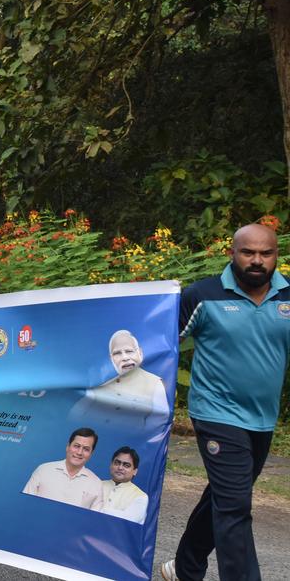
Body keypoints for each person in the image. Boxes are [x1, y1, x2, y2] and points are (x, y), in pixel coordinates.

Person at [160, 223, 290, 581]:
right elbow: (160, 344)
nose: (257, 261)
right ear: (232, 253)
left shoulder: (288, 296)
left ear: (276, 255)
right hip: (216, 413)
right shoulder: (203, 294)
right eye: (248, 252)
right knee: (235, 506)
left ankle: (185, 569)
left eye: (266, 253)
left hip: (263, 418)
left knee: (224, 495)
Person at [73, 329, 169, 425]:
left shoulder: (154, 383)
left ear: (140, 352)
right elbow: (75, 415)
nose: (125, 357)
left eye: (129, 351)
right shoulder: (101, 381)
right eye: (117, 353)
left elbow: (158, 422)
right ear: (111, 359)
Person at [21, 427, 103, 510]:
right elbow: (25, 503)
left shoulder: (96, 483)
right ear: (68, 446)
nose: (79, 452)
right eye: (76, 446)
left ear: (91, 453)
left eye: (86, 449)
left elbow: (94, 519)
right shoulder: (44, 470)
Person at [99, 447, 148, 524]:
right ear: (111, 465)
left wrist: (97, 509)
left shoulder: (141, 497)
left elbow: (128, 520)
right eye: (117, 463)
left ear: (135, 471)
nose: (120, 467)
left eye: (126, 465)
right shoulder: (96, 485)